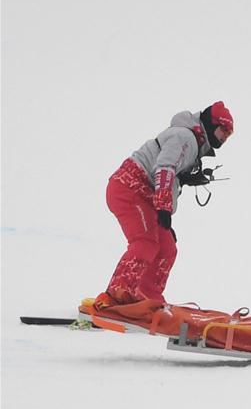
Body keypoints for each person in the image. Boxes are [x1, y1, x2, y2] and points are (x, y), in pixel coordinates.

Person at [94, 102, 234, 310]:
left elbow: (168, 170)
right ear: (210, 124)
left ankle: (148, 298)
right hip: (129, 187)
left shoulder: (192, 142)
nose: (225, 136)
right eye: (223, 129)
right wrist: (164, 209)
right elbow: (165, 168)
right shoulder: (185, 137)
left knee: (167, 247)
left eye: (229, 134)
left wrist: (184, 179)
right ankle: (117, 297)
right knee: (145, 242)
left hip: (145, 195)